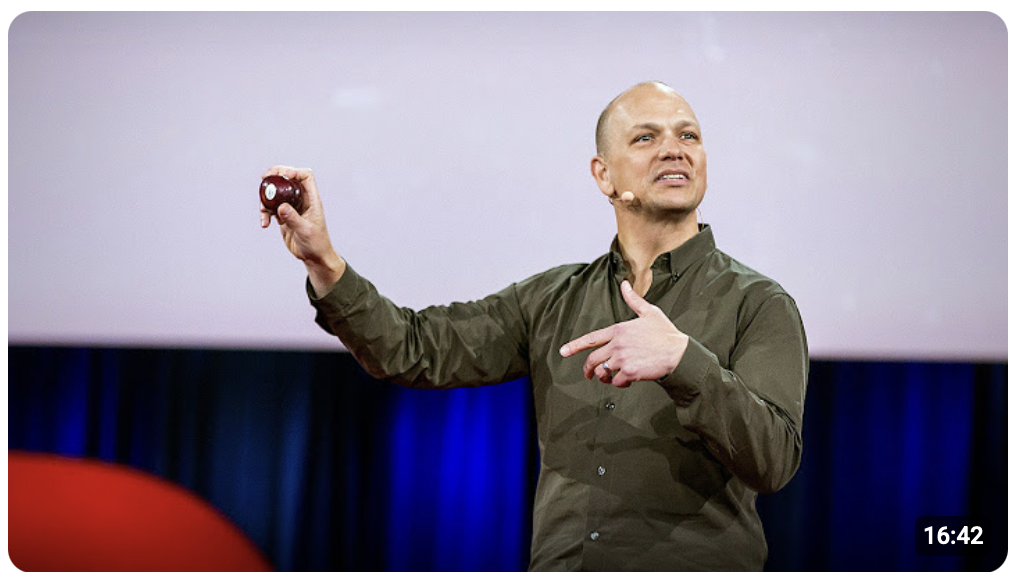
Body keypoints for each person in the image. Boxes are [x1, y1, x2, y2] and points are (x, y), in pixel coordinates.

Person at [260, 81, 808, 571]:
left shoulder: (757, 303)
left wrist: (684, 361)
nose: (674, 149)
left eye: (688, 136)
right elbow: (412, 349)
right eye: (645, 138)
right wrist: (324, 262)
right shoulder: (552, 299)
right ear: (603, 174)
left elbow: (775, 460)